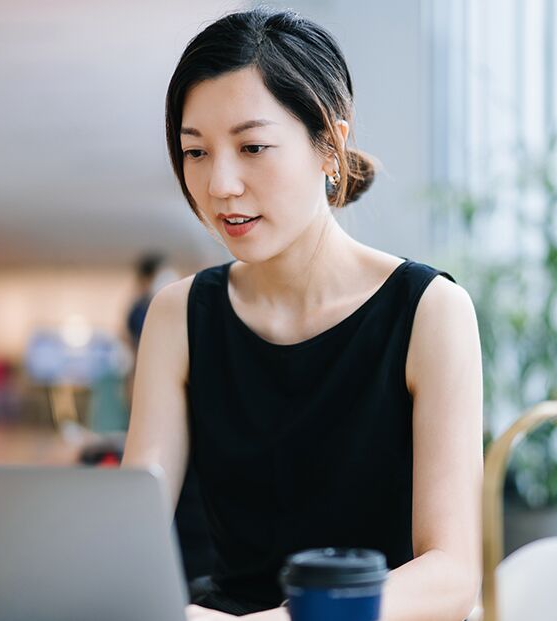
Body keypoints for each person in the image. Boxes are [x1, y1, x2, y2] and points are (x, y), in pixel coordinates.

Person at [122, 8, 483, 621]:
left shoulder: (429, 311)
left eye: (253, 146)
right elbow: (127, 539)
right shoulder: (178, 315)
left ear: (330, 145)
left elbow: (451, 573)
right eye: (196, 152)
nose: (220, 185)